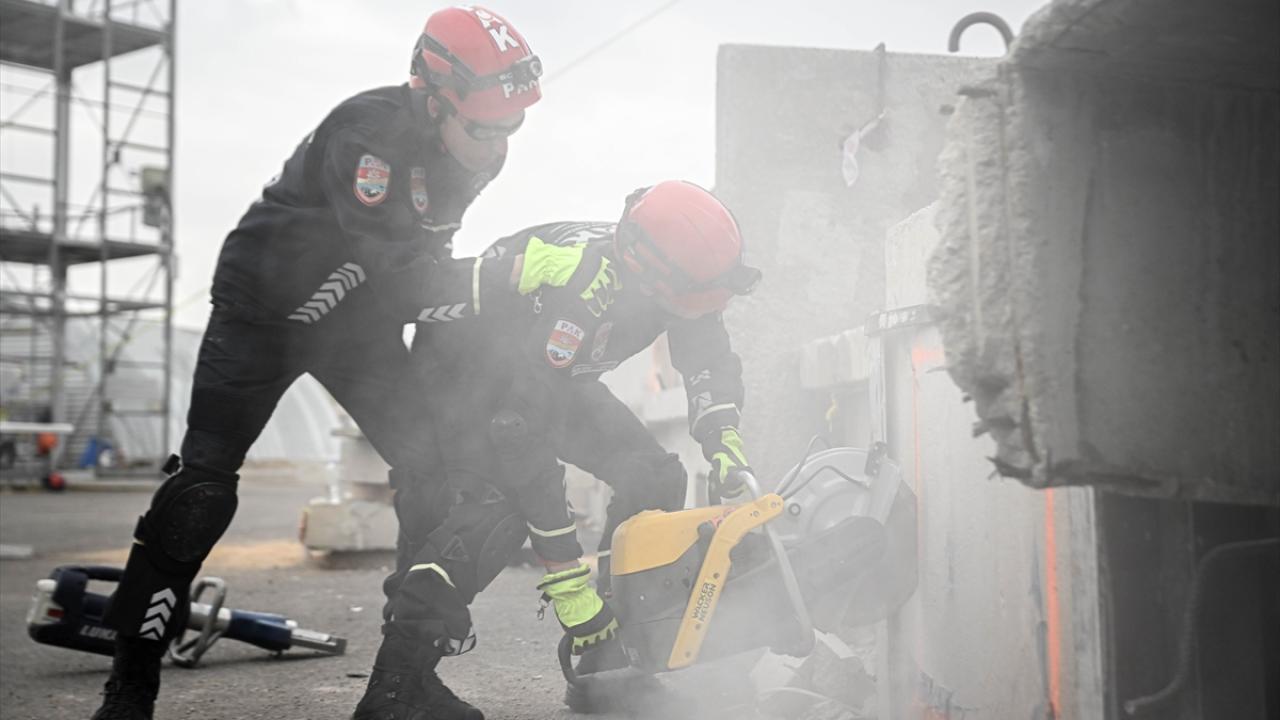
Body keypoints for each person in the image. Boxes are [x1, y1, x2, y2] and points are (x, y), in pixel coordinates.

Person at [90, 7, 606, 720]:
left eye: (511, 128)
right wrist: (504, 274)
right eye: (485, 128)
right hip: (260, 317)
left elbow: (423, 265)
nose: (496, 147)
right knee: (200, 495)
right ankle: (129, 688)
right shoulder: (368, 135)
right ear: (434, 95)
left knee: (436, 481)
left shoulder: (477, 147)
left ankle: (402, 689)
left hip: (356, 326)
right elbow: (399, 273)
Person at [401, 180, 761, 711]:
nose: (702, 309)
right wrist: (569, 584)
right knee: (488, 520)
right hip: (462, 383)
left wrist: (723, 439)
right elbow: (522, 434)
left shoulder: (681, 275)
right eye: (695, 298)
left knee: (652, 476)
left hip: (545, 381)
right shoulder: (584, 289)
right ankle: (396, 692)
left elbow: (707, 356)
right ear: (648, 275)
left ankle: (610, 663)